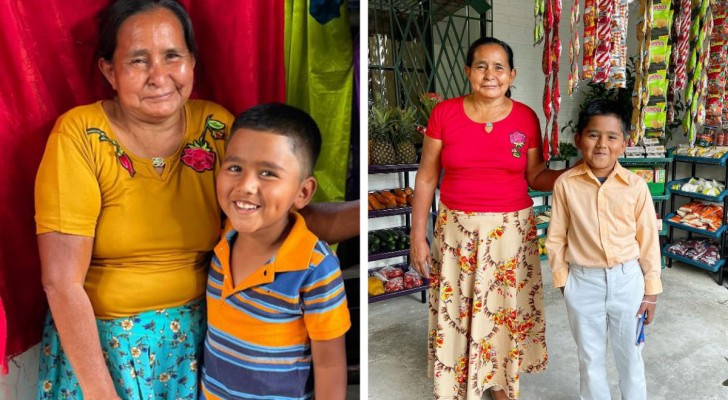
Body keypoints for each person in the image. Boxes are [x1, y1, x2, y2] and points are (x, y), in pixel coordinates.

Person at [33, 1, 357, 399]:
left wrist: (371, 211)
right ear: (108, 71)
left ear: (192, 62)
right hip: (105, 351)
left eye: (172, 56)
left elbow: (278, 216)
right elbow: (61, 282)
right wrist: (103, 393)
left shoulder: (216, 127)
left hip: (204, 347)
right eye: (138, 60)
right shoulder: (80, 135)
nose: (159, 76)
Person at [409, 37, 569, 400]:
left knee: (503, 310)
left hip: (510, 233)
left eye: (499, 67)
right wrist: (417, 235)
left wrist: (572, 174)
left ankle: (499, 384)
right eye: (481, 66)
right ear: (468, 72)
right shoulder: (444, 114)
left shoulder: (526, 117)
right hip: (456, 231)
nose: (490, 74)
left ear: (512, 74)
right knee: (458, 308)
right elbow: (426, 177)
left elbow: (535, 175)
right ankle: (457, 383)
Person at [200, 103, 350, 400]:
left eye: (268, 173)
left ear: (303, 192)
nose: (246, 186)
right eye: (234, 168)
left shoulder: (315, 267)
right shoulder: (222, 237)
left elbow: (330, 365)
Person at [545, 99, 661, 400]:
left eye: (612, 136)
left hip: (628, 282)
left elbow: (648, 239)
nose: (602, 144)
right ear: (579, 139)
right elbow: (556, 236)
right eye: (593, 134)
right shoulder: (565, 185)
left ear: (624, 143)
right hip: (583, 283)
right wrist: (564, 282)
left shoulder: (636, 186)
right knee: (590, 360)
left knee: (631, 359)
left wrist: (650, 292)